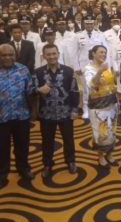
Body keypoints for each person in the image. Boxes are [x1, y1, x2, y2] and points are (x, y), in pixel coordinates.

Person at [34, 44, 80, 178]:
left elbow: (74, 91)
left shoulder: (68, 71)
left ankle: (70, 161)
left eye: (54, 53)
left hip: (66, 112)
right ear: (44, 56)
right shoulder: (38, 72)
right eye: (48, 54)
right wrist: (38, 90)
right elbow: (30, 90)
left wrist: (75, 109)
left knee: (68, 139)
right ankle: (47, 164)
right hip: (46, 114)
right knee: (47, 140)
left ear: (58, 54)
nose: (52, 57)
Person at [0, 44, 35, 188]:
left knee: (23, 145)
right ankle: (2, 173)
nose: (8, 57)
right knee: (2, 148)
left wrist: (33, 111)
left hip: (21, 116)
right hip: (2, 118)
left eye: (11, 54)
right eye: (4, 55)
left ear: (15, 55)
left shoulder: (23, 70)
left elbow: (30, 90)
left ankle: (23, 168)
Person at [84, 45, 119, 168]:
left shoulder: (106, 66)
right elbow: (91, 84)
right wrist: (100, 71)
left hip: (111, 103)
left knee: (111, 130)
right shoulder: (88, 68)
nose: (103, 54)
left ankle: (109, 154)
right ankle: (100, 157)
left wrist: (115, 77)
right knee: (100, 132)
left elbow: (111, 84)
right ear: (93, 53)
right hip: (97, 106)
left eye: (105, 52)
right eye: (101, 52)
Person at [74, 14, 109, 119]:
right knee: (86, 88)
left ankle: (99, 107)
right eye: (87, 23)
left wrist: (106, 65)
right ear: (84, 24)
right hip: (84, 66)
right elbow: (74, 53)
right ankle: (86, 109)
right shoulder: (78, 36)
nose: (89, 25)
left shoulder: (100, 35)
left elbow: (106, 51)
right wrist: (77, 67)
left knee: (98, 87)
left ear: (94, 23)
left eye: (91, 23)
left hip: (98, 66)